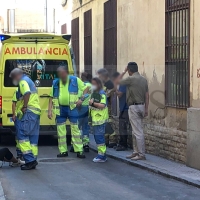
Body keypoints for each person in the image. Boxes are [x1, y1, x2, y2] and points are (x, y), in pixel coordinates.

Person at [48, 66, 89, 159]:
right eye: (59, 73)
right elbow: (51, 97)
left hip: (72, 108)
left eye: (62, 73)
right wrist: (49, 110)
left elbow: (86, 89)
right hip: (60, 110)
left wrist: (81, 99)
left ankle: (79, 150)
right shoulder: (56, 82)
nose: (61, 75)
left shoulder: (75, 80)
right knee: (61, 132)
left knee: (75, 130)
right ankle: (63, 151)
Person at [9, 68, 41, 170]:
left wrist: (25, 106)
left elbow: (27, 93)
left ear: (17, 76)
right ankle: (33, 159)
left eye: (13, 77)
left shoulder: (23, 81)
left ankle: (30, 160)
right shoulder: (29, 80)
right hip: (35, 112)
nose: (13, 80)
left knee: (22, 135)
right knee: (32, 137)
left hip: (29, 112)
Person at [119, 62, 149, 161]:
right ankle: (136, 152)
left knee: (138, 131)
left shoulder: (131, 79)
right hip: (142, 106)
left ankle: (141, 154)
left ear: (129, 70)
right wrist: (146, 109)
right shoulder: (143, 79)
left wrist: (123, 72)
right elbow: (147, 95)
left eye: (127, 70)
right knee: (135, 131)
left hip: (134, 107)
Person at [89, 77, 108, 162]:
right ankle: (101, 154)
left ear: (98, 84)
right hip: (95, 120)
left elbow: (102, 105)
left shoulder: (101, 93)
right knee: (97, 137)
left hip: (100, 120)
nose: (92, 86)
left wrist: (92, 103)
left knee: (99, 138)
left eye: (94, 84)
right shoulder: (94, 93)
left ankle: (102, 156)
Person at [97, 68, 117, 148]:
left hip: (108, 106)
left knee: (108, 122)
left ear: (103, 76)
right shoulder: (105, 84)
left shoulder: (110, 84)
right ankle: (106, 140)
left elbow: (107, 95)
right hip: (104, 107)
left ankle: (112, 140)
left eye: (100, 76)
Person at [112, 72, 129, 151]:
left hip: (125, 108)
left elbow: (120, 94)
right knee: (122, 126)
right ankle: (122, 142)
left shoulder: (122, 84)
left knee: (122, 127)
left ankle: (123, 144)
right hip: (123, 107)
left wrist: (115, 90)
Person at [78, 72, 92, 152]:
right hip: (88, 108)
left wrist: (80, 101)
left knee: (78, 126)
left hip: (81, 107)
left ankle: (77, 144)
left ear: (82, 77)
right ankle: (86, 144)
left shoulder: (84, 86)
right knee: (86, 127)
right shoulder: (91, 85)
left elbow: (83, 95)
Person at [12, 88, 23, 159]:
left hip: (26, 116)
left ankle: (22, 154)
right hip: (20, 116)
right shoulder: (17, 90)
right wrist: (14, 114)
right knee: (19, 135)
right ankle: (19, 153)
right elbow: (14, 103)